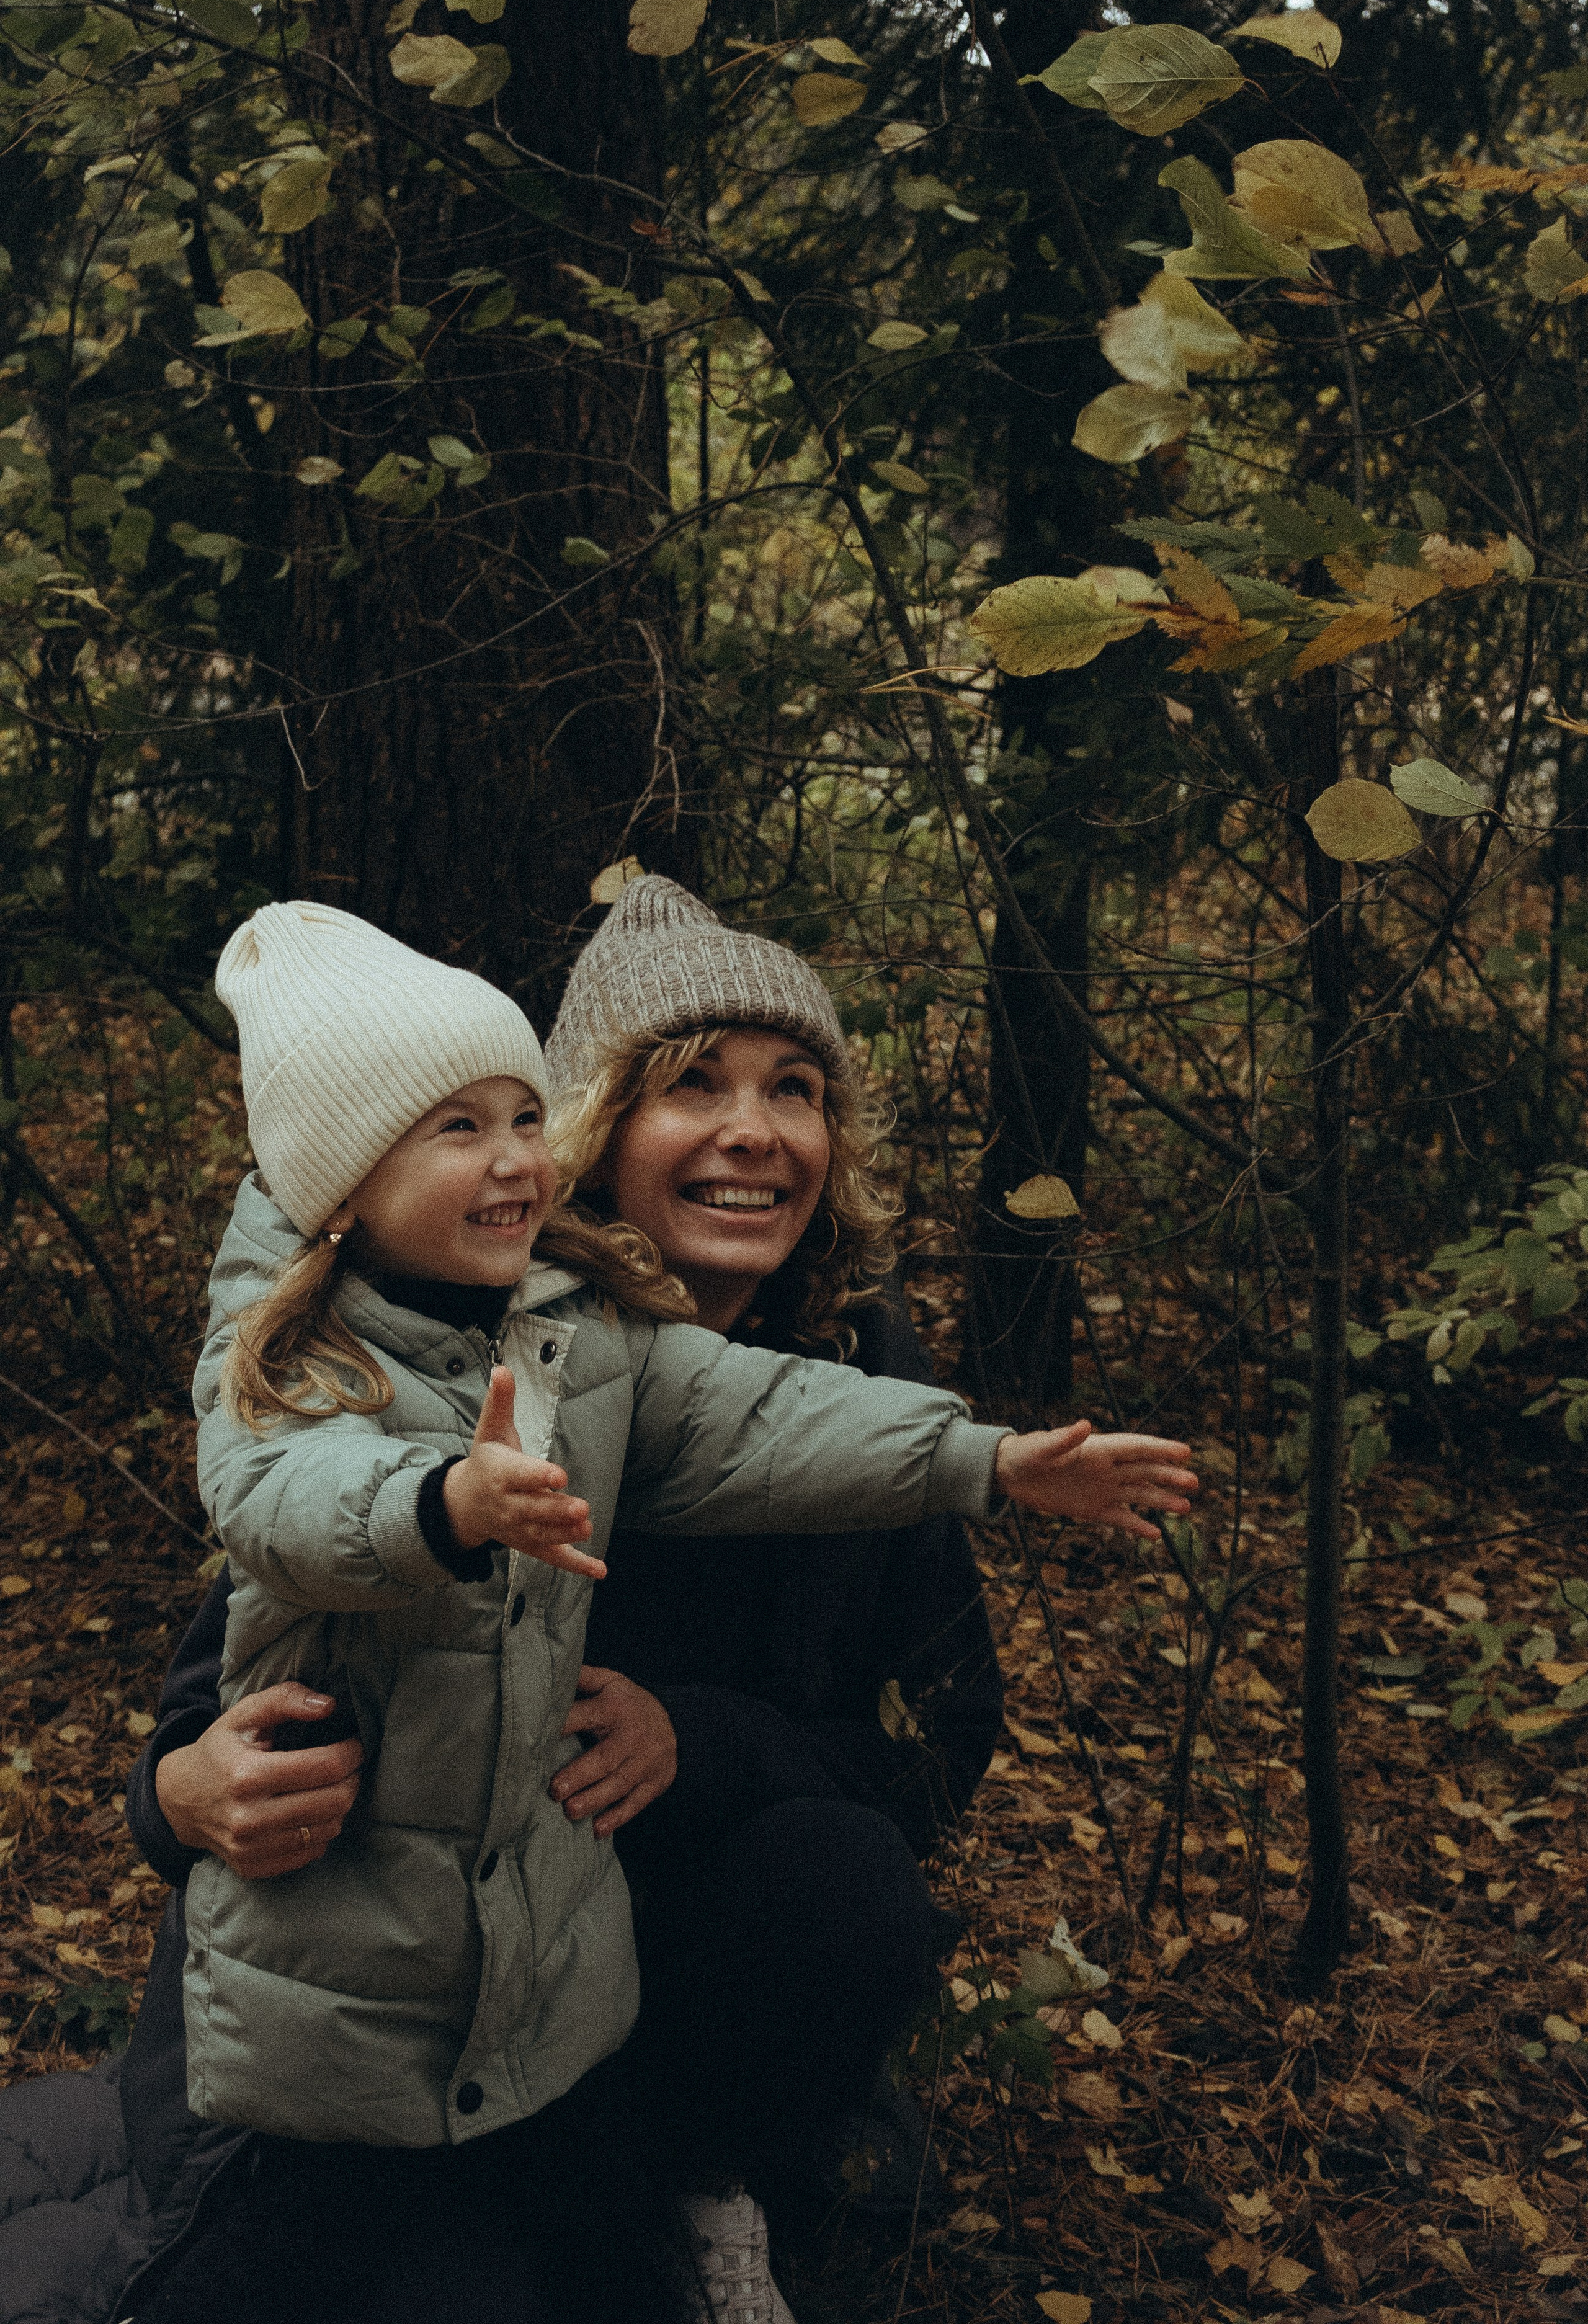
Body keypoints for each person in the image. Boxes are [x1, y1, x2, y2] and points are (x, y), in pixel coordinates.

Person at [105, 893, 1195, 2324]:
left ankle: (706, 2183)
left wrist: (705, 1735)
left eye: (793, 1089)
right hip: (383, 1972)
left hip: (624, 1976)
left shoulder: (853, 1368)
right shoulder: (438, 1354)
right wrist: (186, 1791)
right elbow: (247, 1652)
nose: (755, 1129)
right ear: (596, 1133)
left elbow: (940, 1740)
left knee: (838, 1883)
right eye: (695, 1083)